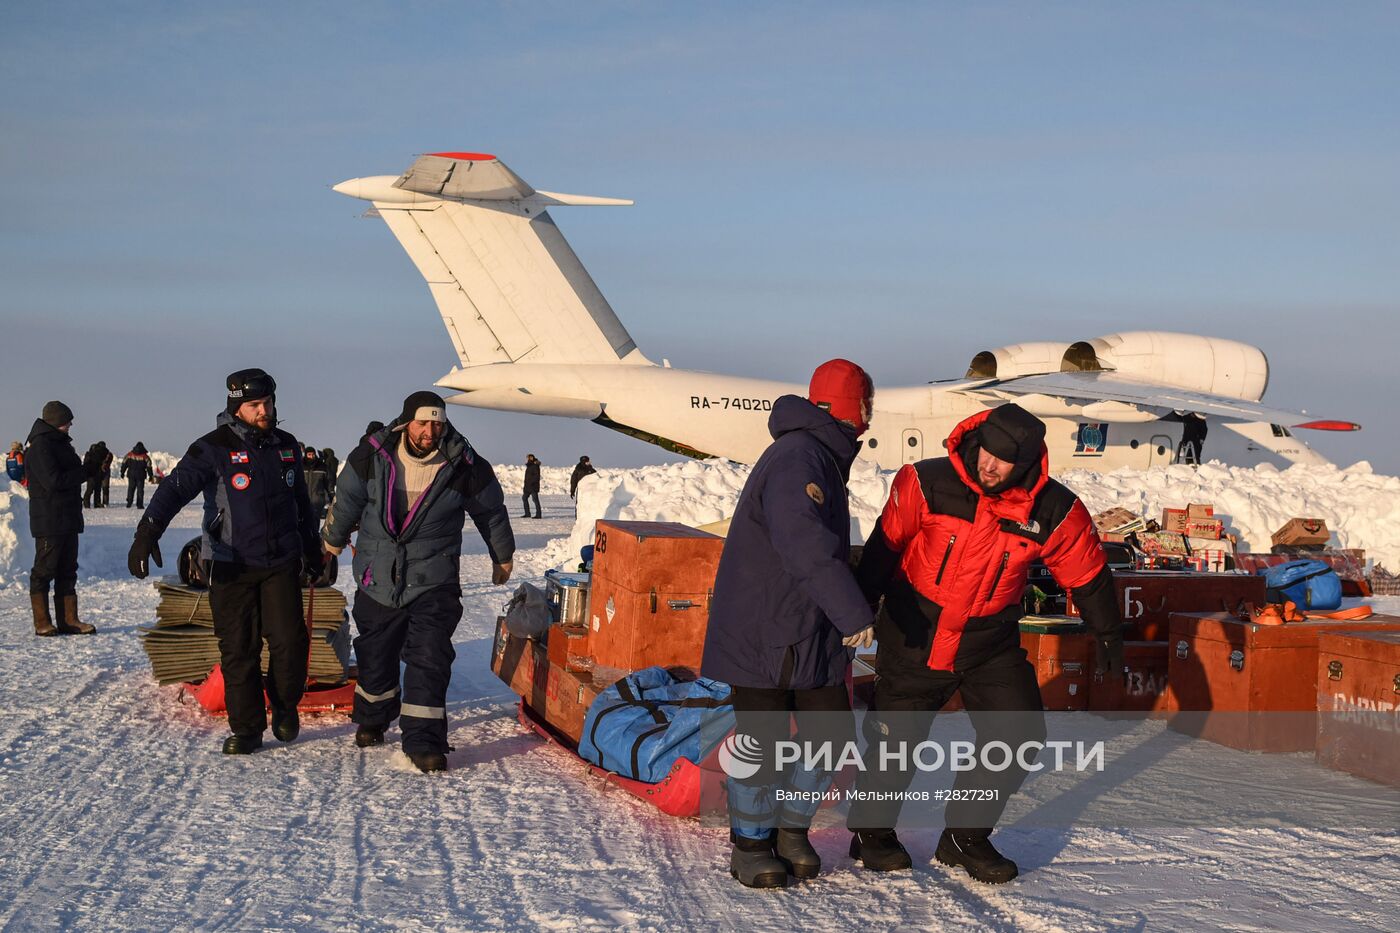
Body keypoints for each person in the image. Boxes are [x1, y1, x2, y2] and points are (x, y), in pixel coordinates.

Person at [847, 402, 1124, 883]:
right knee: (896, 743)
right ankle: (871, 834)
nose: (989, 466)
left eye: (1004, 461)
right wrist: (858, 608)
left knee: (1017, 736)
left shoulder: (1054, 509)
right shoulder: (925, 482)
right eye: (986, 454)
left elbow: (1089, 573)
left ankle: (965, 837)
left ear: (1028, 463)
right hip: (916, 632)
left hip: (989, 643)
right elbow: (883, 547)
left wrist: (1108, 634)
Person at [700, 359, 878, 888]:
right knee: (765, 740)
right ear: (855, 409)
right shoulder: (800, 457)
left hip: (807, 627)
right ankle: (751, 845)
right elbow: (805, 545)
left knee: (830, 735)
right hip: (766, 628)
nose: (869, 420)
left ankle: (790, 831)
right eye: (867, 407)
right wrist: (854, 614)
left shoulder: (817, 455)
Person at [127, 369, 323, 755]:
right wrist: (147, 533)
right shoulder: (213, 447)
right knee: (239, 650)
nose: (264, 410)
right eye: (254, 405)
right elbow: (173, 489)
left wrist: (312, 548)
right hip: (230, 564)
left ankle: (284, 705)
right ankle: (247, 728)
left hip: (280, 561)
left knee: (291, 642)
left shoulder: (286, 445)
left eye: (268, 402)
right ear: (236, 407)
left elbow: (302, 503)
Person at [322, 391, 515, 773]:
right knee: (376, 657)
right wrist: (331, 541)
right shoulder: (372, 456)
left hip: (434, 579)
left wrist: (502, 555)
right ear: (406, 422)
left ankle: (423, 739)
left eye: (437, 423)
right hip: (377, 576)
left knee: (430, 657)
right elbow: (345, 502)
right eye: (423, 423)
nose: (430, 431)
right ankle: (374, 716)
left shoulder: (464, 464)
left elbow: (491, 512)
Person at [25, 401, 95, 636]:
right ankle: (42, 621)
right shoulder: (40, 446)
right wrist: (84, 472)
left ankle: (69, 620)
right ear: (55, 422)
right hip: (49, 520)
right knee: (44, 571)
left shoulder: (60, 444)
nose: (71, 425)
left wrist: (91, 468)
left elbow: (72, 475)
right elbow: (54, 481)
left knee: (68, 569)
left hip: (67, 517)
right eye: (67, 421)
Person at [121, 442, 155, 508]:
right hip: (141, 476)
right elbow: (149, 466)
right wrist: (150, 476)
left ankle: (129, 503)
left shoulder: (130, 455)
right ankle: (139, 505)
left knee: (131, 489)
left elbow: (124, 463)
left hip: (131, 475)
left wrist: (122, 472)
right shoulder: (145, 457)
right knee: (140, 490)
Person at [303, 445, 331, 522]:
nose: (311, 456)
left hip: (318, 500)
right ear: (305, 455)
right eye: (309, 455)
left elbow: (328, 483)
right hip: (303, 499)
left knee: (315, 521)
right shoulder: (301, 466)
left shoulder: (322, 467)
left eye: (313, 454)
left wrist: (330, 496)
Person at [81, 441, 106, 508]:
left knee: (91, 490)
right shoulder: (101, 454)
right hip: (95, 474)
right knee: (94, 490)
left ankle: (88, 504)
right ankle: (94, 504)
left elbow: (85, 464)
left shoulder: (90, 454)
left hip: (92, 474)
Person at [522, 453, 542, 519]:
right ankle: (527, 513)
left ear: (531, 458)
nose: (527, 459)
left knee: (535, 500)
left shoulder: (535, 466)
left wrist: (531, 483)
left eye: (528, 457)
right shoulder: (529, 466)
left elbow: (537, 477)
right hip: (527, 487)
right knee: (524, 498)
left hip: (533, 486)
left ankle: (538, 514)